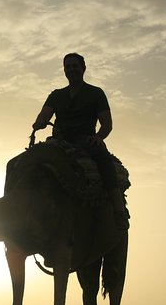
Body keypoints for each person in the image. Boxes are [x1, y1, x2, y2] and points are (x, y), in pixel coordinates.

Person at [32, 53, 129, 229]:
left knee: (104, 162)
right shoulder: (56, 95)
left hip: (85, 140)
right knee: (29, 161)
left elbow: (107, 124)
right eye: (67, 67)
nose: (71, 69)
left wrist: (98, 137)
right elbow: (45, 113)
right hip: (59, 140)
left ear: (83, 68)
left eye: (74, 66)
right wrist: (39, 122)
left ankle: (118, 208)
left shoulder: (96, 93)